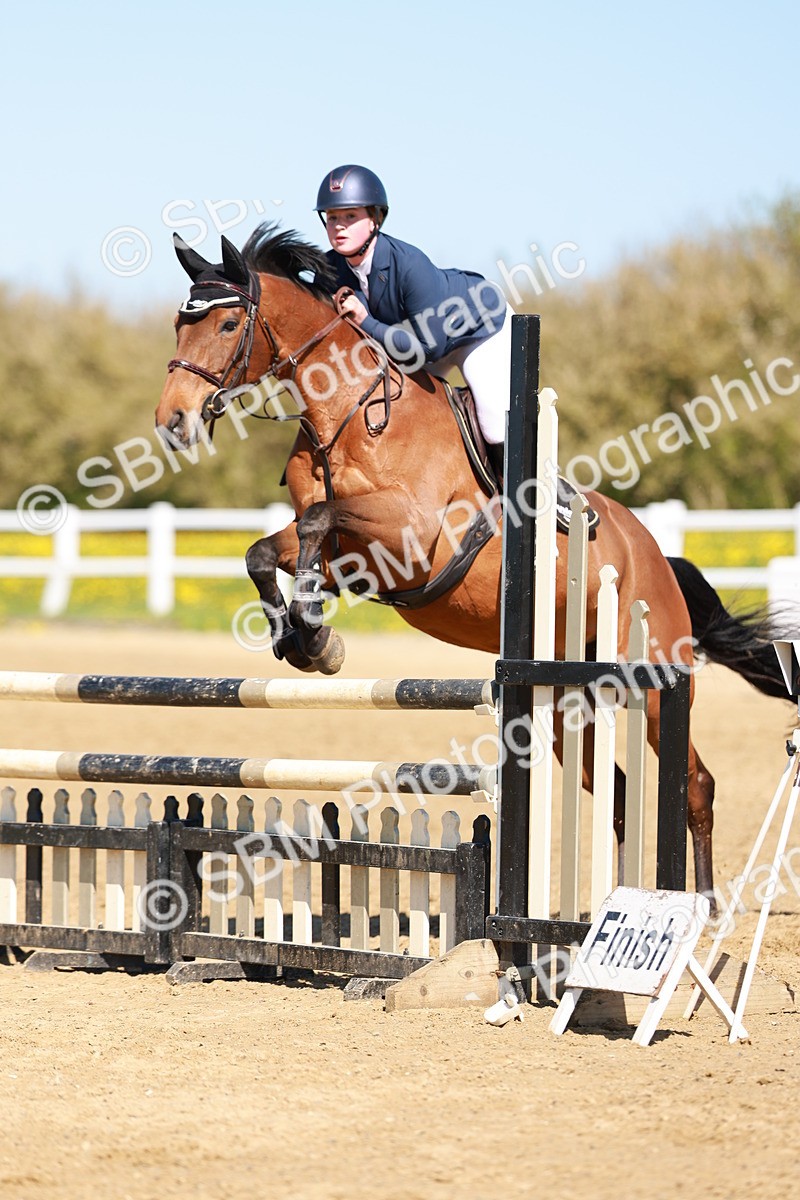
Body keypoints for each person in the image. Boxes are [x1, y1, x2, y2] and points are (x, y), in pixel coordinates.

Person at [315, 164, 513, 481]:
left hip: (478, 331)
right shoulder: (329, 267)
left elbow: (427, 350)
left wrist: (365, 321)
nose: (339, 226)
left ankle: (536, 493)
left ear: (375, 219)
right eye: (333, 217)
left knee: (492, 422)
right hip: (419, 343)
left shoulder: (409, 263)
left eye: (350, 216)